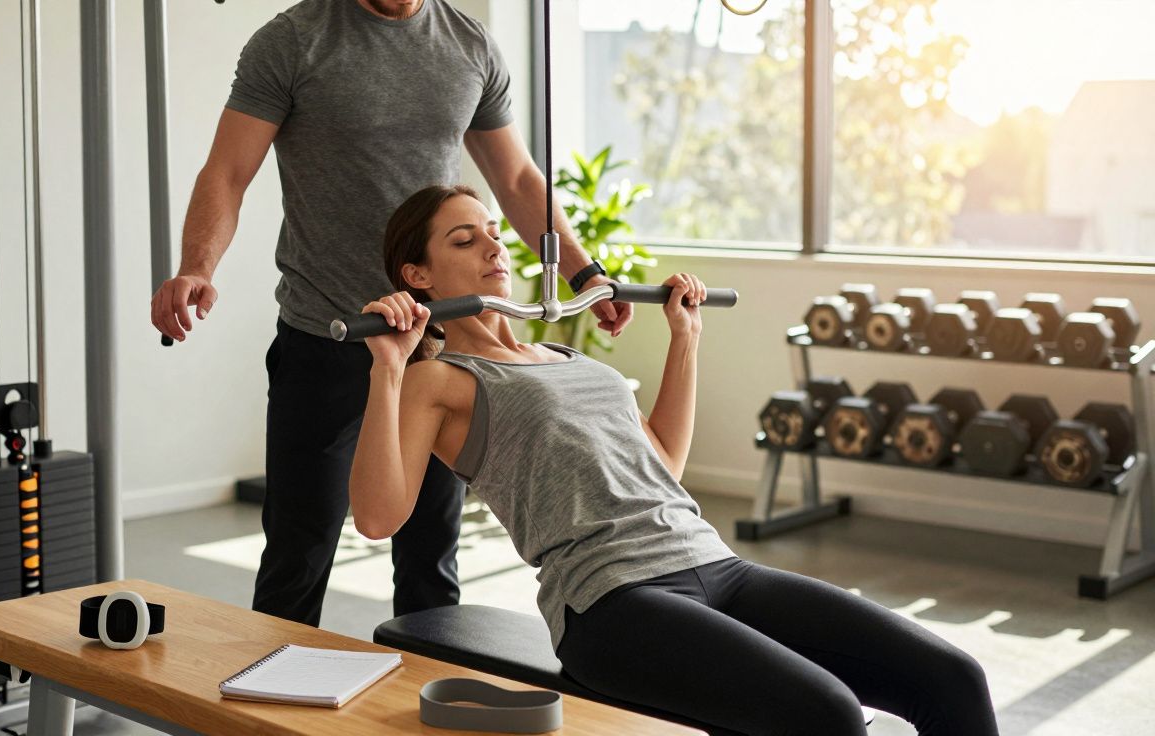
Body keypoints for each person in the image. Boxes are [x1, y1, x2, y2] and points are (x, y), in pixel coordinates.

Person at [348, 184, 999, 736]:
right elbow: (378, 518)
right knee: (828, 713)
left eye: (493, 233)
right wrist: (389, 368)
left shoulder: (567, 356)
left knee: (953, 679)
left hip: (714, 565)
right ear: (418, 276)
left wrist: (684, 337)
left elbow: (661, 464)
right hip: (609, 602)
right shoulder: (440, 378)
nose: (494, 247)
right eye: (464, 241)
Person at [149, 0, 633, 627]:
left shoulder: (470, 45)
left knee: (432, 551)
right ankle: (274, 681)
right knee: (300, 547)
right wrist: (197, 267)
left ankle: (426, 682)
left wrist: (585, 273)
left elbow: (515, 177)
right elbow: (228, 171)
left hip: (434, 342)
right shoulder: (292, 41)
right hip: (326, 331)